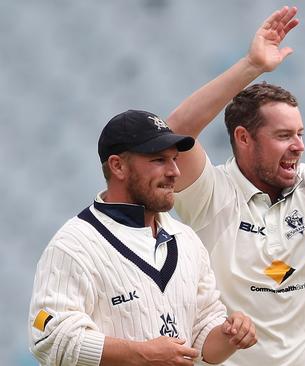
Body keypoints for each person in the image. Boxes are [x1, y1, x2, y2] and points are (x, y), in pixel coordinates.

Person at [167, 8, 305, 365]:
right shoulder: (209, 192)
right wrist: (251, 65)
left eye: (300, 134)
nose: (299, 146)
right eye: (283, 136)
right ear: (243, 138)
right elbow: (174, 134)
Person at [28, 110, 257, 366]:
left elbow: (202, 337)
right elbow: (50, 337)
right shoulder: (73, 245)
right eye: (159, 160)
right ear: (118, 166)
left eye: (174, 159)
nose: (175, 172)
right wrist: (143, 354)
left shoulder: (187, 241)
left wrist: (230, 336)